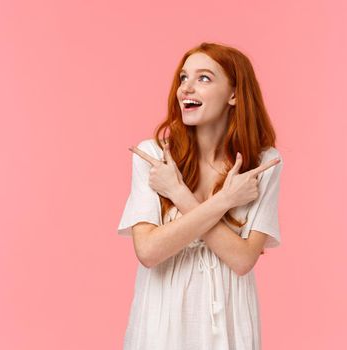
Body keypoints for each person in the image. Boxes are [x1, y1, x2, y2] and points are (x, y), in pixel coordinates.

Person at [117, 42, 283, 350]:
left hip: (230, 322)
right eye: (183, 78)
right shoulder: (153, 156)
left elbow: (243, 258)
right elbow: (149, 251)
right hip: (161, 321)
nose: (186, 89)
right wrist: (224, 201)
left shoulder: (262, 163)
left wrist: (178, 193)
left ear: (234, 94)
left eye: (203, 78)